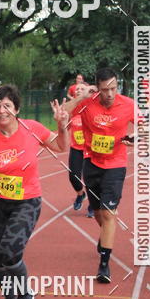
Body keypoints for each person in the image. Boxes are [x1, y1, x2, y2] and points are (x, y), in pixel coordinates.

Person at [0, 84, 69, 299]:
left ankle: (25, 293)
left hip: (26, 201)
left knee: (10, 251)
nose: (2, 111)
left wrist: (61, 127)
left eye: (7, 106)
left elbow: (61, 147)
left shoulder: (31, 129)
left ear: (17, 109)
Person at [63, 68, 135, 284]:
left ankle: (104, 263)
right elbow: (62, 114)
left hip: (116, 164)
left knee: (109, 213)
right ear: (98, 88)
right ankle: (106, 237)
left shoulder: (128, 104)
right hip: (91, 163)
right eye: (105, 90)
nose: (110, 94)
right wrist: (81, 97)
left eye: (113, 88)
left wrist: (137, 138)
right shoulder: (88, 102)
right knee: (98, 213)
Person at [67, 82, 91, 214]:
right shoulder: (72, 110)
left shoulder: (92, 107)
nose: (79, 90)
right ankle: (81, 194)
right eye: (77, 89)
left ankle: (94, 204)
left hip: (91, 149)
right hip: (76, 148)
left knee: (90, 179)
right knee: (73, 177)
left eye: (82, 89)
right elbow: (65, 128)